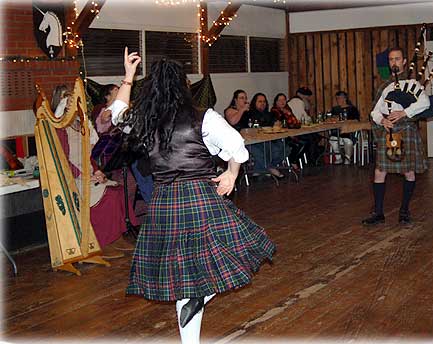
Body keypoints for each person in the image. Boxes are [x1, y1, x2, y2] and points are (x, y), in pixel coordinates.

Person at [107, 48, 275, 344]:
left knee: (183, 276)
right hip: (200, 198)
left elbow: (117, 113)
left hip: (164, 202)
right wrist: (232, 174)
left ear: (151, 89)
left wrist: (129, 76)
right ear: (183, 86)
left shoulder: (143, 120)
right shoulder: (204, 117)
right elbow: (237, 145)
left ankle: (194, 320)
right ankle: (201, 296)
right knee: (226, 257)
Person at [51, 85, 137, 259]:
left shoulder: (80, 125)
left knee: (119, 190)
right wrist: (85, 175)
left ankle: (117, 236)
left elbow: (88, 157)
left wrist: (97, 171)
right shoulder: (59, 130)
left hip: (87, 174)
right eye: (66, 100)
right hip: (72, 178)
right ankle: (104, 242)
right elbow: (62, 160)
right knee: (108, 196)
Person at [361, 47, 430, 226]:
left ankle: (405, 210)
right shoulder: (385, 86)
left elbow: (425, 103)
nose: (394, 62)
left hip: (406, 130)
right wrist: (382, 120)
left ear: (404, 61)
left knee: (408, 171)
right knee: (379, 170)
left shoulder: (413, 84)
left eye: (397, 59)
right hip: (390, 131)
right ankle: (378, 212)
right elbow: (374, 112)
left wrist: (404, 112)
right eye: (391, 59)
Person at [247, 93, 287, 178]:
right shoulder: (249, 114)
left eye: (264, 101)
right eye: (260, 101)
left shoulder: (269, 114)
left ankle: (260, 169)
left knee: (286, 148)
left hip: (269, 138)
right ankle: (271, 168)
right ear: (255, 103)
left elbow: (276, 123)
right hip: (254, 140)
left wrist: (277, 123)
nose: (263, 103)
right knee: (272, 149)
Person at [270, 93, 306, 170]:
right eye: (280, 100)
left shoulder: (288, 109)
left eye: (284, 99)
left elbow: (296, 123)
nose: (282, 102)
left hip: (291, 134)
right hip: (281, 136)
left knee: (307, 140)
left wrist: (289, 114)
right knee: (299, 144)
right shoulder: (274, 111)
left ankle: (294, 160)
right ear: (276, 102)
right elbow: (282, 125)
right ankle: (292, 161)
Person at [330, 91, 360, 164]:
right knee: (332, 139)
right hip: (337, 131)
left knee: (347, 140)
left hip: (349, 131)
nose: (338, 100)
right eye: (337, 98)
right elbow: (331, 119)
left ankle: (348, 158)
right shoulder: (335, 109)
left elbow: (356, 120)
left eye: (339, 98)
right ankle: (339, 158)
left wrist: (347, 121)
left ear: (345, 98)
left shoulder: (352, 109)